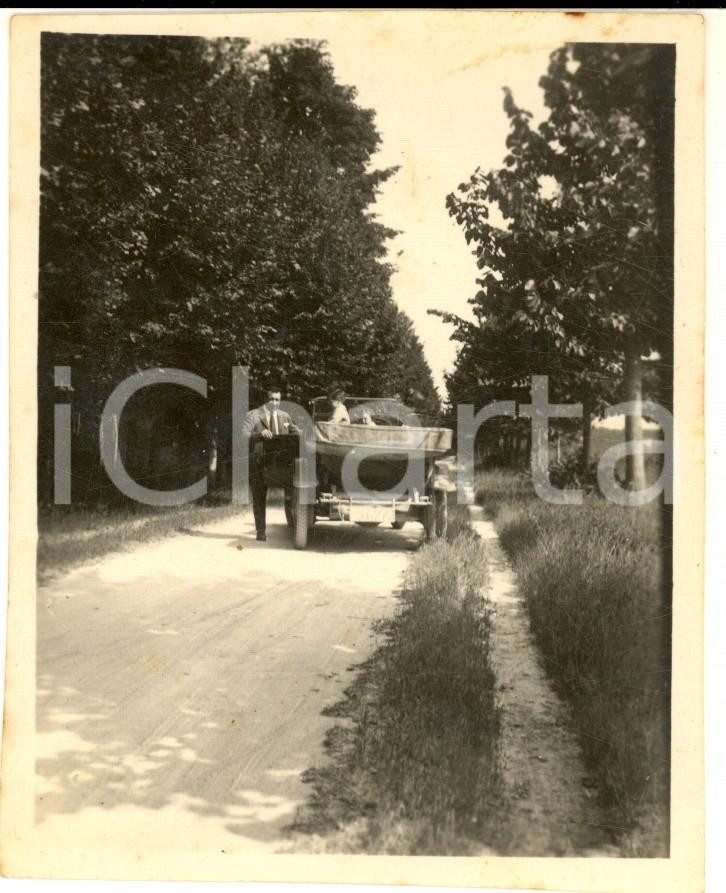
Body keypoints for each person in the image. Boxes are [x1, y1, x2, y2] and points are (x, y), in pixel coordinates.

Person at [241, 387, 297, 541]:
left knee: (291, 493)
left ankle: (292, 524)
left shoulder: (285, 416)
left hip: (282, 463)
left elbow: (295, 432)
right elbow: (243, 435)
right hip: (260, 462)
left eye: (277, 400)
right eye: (271, 399)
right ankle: (261, 531)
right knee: (259, 497)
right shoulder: (253, 415)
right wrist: (258, 434)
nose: (274, 403)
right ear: (266, 399)